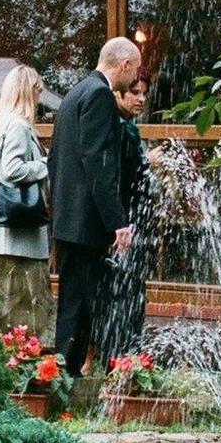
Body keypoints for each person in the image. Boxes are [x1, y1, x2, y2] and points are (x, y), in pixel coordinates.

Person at [48, 36, 141, 378]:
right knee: (85, 306)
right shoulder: (100, 95)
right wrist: (117, 221)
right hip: (88, 225)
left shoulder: (75, 94)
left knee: (73, 305)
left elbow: (56, 160)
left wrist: (60, 211)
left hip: (70, 220)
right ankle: (70, 378)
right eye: (134, 71)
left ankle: (63, 376)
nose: (134, 81)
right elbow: (100, 164)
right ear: (124, 65)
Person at [0, 64, 54, 341]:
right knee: (21, 314)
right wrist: (46, 164)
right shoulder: (19, 126)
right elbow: (11, 170)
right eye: (38, 91)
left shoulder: (4, 124)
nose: (39, 97)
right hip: (15, 238)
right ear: (28, 91)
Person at [94, 72, 152, 365]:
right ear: (118, 94)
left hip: (129, 224)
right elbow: (117, 179)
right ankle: (118, 359)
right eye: (135, 93)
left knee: (127, 294)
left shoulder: (127, 127)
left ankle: (120, 358)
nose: (141, 99)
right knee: (120, 296)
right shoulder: (120, 129)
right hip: (123, 227)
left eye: (144, 93)